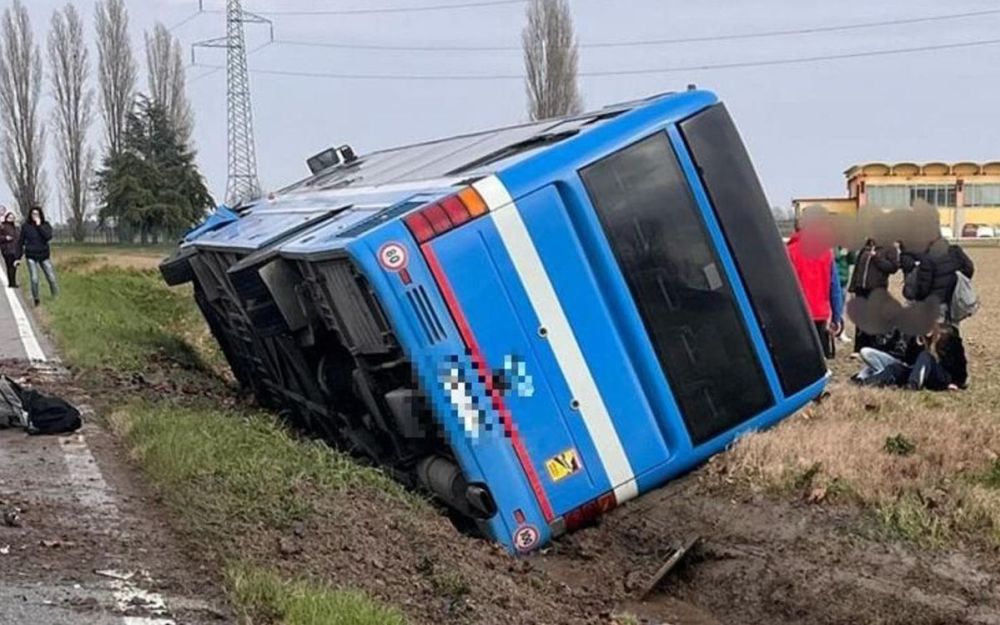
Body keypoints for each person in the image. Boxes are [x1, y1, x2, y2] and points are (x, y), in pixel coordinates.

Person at [787, 219, 843, 359]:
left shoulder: (789, 252)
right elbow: (835, 288)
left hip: (797, 313)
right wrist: (836, 317)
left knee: (799, 357)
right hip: (820, 312)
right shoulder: (826, 253)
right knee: (820, 358)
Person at [847, 238, 899, 352]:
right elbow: (857, 268)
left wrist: (877, 257)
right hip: (861, 288)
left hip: (877, 289)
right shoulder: (865, 247)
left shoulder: (889, 248)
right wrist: (852, 287)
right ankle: (859, 347)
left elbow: (893, 268)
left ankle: (873, 347)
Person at [911, 236, 974, 323]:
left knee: (936, 331)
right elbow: (969, 269)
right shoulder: (955, 251)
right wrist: (956, 279)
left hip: (935, 303)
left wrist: (917, 297)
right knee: (953, 329)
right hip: (954, 300)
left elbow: (924, 288)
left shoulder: (928, 258)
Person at [17, 205, 57, 306]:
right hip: (31, 255)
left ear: (40, 215)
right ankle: (36, 299)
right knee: (34, 279)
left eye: (37, 214)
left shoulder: (45, 225)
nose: (35, 216)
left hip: (43, 255)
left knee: (51, 277)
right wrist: (18, 257)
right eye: (33, 214)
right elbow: (20, 242)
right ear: (30, 215)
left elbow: (48, 237)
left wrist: (39, 226)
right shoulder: (26, 227)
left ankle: (55, 296)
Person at [0, 209, 19, 288]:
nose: (11, 219)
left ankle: (13, 281)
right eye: (9, 218)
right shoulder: (2, 226)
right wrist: (5, 238)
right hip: (6, 249)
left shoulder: (15, 228)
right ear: (6, 218)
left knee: (14, 266)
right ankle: (11, 283)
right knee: (9, 265)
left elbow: (18, 238)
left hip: (15, 248)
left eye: (12, 218)